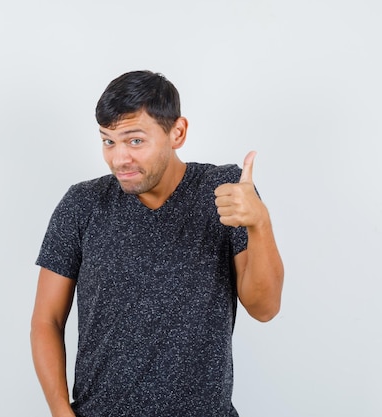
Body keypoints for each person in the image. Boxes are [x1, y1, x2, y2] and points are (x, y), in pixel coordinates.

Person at [30, 70, 284, 417]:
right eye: (108, 141)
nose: (120, 159)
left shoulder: (225, 191)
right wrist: (60, 411)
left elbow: (265, 308)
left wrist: (260, 222)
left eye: (135, 141)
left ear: (177, 132)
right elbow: (46, 320)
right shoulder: (83, 203)